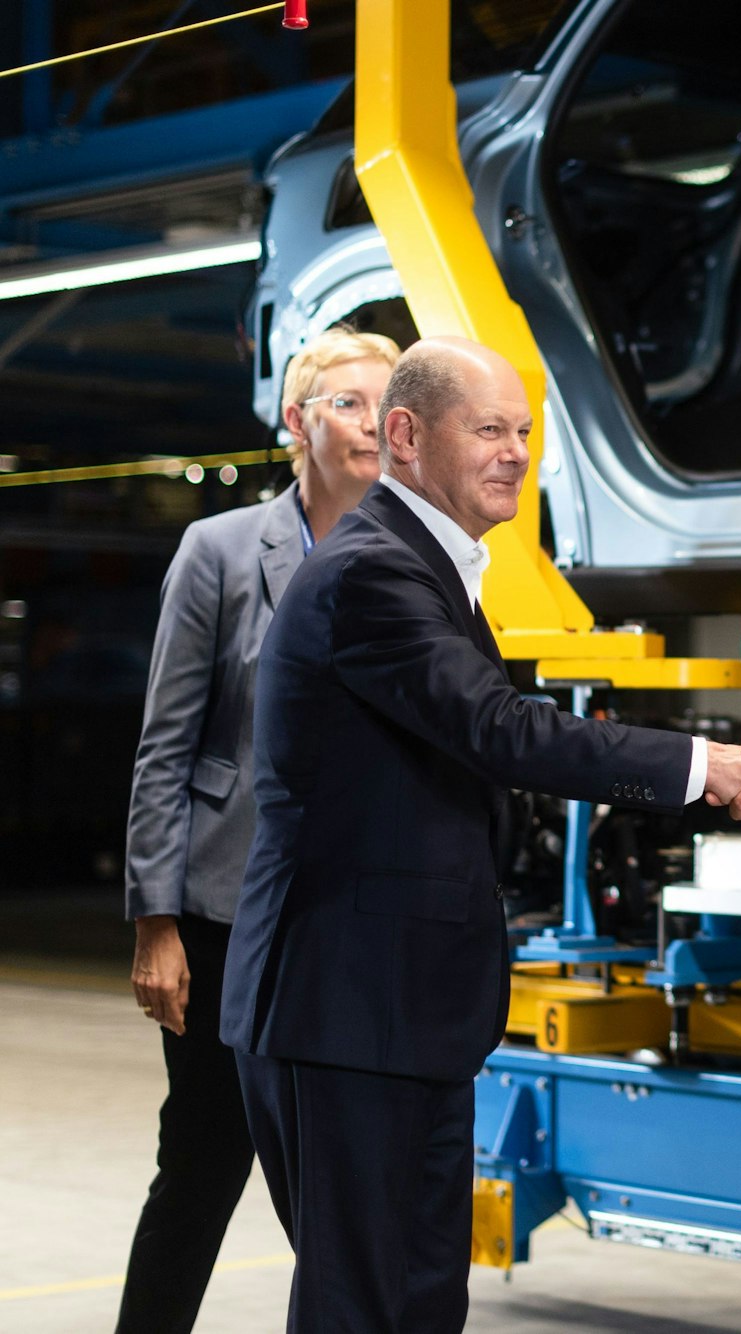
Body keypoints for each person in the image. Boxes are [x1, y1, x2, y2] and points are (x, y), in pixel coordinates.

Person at [218, 335, 741, 1333]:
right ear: (407, 435)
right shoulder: (373, 571)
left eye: (523, 431)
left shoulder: (429, 564)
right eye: (489, 430)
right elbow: (498, 729)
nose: (515, 452)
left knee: (416, 1300)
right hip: (346, 1009)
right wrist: (710, 768)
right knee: (363, 1305)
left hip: (392, 1010)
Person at [120, 325, 399, 1334]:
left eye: (388, 405)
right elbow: (167, 743)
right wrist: (156, 921)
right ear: (296, 421)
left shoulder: (413, 557)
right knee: (202, 1163)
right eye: (349, 403)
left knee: (338, 1182)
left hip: (349, 915)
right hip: (224, 911)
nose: (373, 424)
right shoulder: (224, 549)